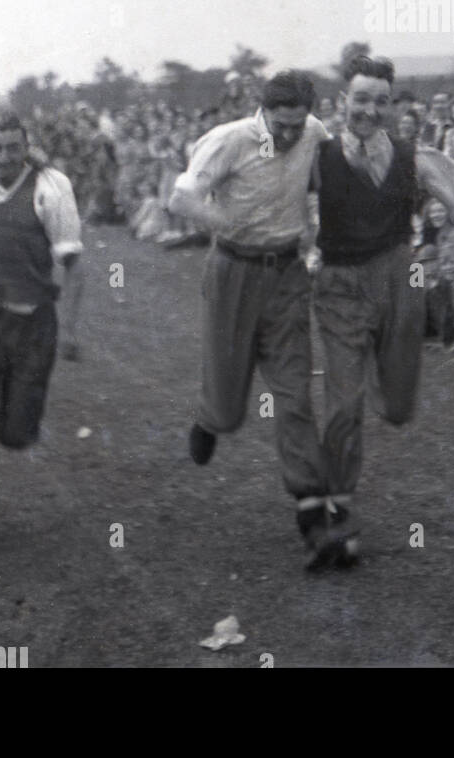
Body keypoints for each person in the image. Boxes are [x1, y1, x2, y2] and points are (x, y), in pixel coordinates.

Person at [309, 56, 454, 566]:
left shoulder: (417, 159)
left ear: (392, 105)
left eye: (380, 101)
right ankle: (338, 513)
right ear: (343, 102)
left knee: (399, 410)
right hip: (339, 284)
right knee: (343, 403)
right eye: (360, 99)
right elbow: (271, 196)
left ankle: (385, 387)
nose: (369, 109)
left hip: (399, 281)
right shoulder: (317, 157)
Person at [167, 72, 338, 568]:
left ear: (307, 112)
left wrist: (319, 232)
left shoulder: (315, 133)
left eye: (296, 124)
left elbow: (321, 187)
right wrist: (225, 223)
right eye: (280, 126)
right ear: (263, 111)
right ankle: (209, 418)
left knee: (294, 391)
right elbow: (181, 198)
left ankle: (312, 512)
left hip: (285, 272)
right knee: (228, 399)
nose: (288, 136)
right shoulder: (229, 141)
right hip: (233, 271)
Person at [0, 114, 83, 547]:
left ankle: (17, 425)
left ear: (27, 148)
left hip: (33, 324)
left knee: (17, 432)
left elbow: (74, 265)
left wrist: (74, 331)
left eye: (13, 147)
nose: (3, 157)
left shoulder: (51, 187)